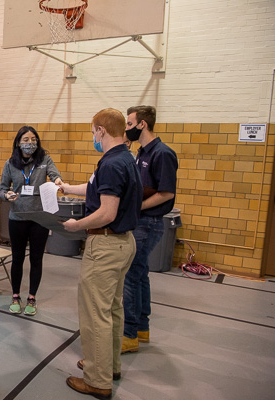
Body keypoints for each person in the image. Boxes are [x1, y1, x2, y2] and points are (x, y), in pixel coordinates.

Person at [59, 108, 142, 399]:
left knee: (95, 314)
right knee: (112, 309)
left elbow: (107, 212)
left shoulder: (111, 163)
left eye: (94, 131)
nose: (93, 136)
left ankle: (97, 379)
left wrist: (76, 225)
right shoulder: (125, 158)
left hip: (105, 245)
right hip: (123, 244)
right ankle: (109, 366)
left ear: (101, 131)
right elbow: (96, 188)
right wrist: (67, 187)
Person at [121, 105, 178, 353]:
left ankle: (129, 334)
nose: (127, 129)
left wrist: (137, 206)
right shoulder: (141, 152)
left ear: (142, 124)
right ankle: (142, 328)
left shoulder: (162, 153)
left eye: (129, 124)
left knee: (131, 276)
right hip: (140, 220)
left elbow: (166, 193)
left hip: (149, 222)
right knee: (140, 273)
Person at [0, 126, 63, 316]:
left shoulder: (44, 160)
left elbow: (55, 175)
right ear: (18, 143)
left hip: (39, 219)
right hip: (17, 217)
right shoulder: (10, 163)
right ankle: (15, 296)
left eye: (33, 140)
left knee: (36, 259)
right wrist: (6, 195)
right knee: (17, 258)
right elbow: (1, 189)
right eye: (26, 140)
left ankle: (32, 298)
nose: (30, 143)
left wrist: (58, 181)